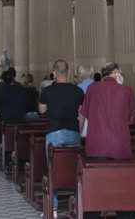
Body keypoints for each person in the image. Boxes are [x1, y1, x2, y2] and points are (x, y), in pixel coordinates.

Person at [80, 63, 135, 219]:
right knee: (122, 188)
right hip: (120, 147)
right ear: (117, 74)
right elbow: (131, 119)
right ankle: (125, 215)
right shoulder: (127, 90)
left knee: (95, 189)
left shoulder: (92, 89)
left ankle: (92, 214)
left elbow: (84, 113)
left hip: (96, 145)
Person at [38, 60, 84, 215]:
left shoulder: (48, 91)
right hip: (73, 131)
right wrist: (80, 129)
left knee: (53, 168)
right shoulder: (78, 91)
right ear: (69, 72)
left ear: (54, 73)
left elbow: (42, 110)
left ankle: (53, 208)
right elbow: (82, 113)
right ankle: (77, 204)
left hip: (54, 131)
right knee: (76, 169)